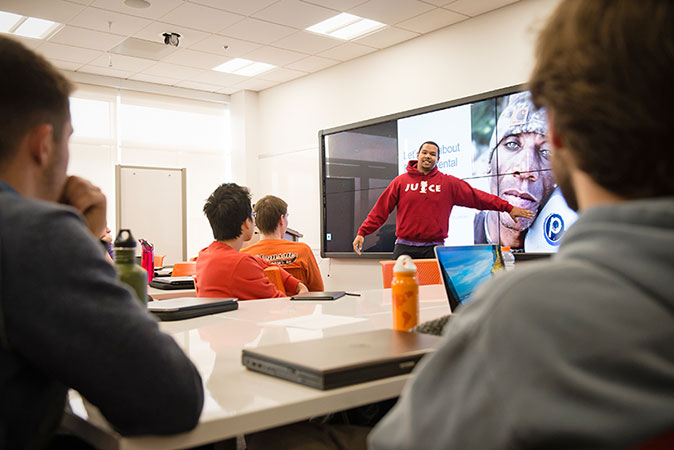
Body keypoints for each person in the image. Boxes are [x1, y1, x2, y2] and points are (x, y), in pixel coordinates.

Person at [369, 0, 674, 448]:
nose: (526, 170)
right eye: (512, 144)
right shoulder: (401, 183)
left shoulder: (524, 314)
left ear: (560, 133)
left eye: (542, 152)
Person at [0, 36, 203, 449]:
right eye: (67, 138)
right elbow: (171, 397)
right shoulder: (35, 233)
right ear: (43, 145)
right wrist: (84, 238)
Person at [352, 141, 534, 259]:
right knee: (399, 294)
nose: (427, 156)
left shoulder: (447, 183)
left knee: (434, 297)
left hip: (433, 249)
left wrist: (508, 207)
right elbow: (381, 210)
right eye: (425, 152)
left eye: (432, 154)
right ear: (418, 155)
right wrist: (362, 232)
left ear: (438, 159)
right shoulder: (401, 182)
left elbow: (478, 197)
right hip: (403, 248)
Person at [473, 91, 557, 249]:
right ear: (489, 162)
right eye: (512, 144)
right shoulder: (461, 234)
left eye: (546, 152)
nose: (526, 169)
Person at [196, 183, 308, 300]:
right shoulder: (241, 264)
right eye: (252, 215)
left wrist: (296, 284)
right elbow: (281, 304)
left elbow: (261, 262)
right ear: (245, 223)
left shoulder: (204, 256)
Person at [241, 195, 324, 292]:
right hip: (297, 306)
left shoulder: (244, 256)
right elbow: (318, 291)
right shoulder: (303, 251)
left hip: (262, 307)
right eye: (287, 216)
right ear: (281, 219)